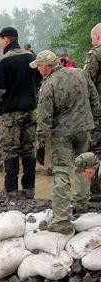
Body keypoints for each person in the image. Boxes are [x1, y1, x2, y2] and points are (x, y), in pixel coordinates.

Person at [32, 50, 100, 233]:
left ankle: (62, 219)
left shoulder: (49, 85)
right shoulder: (81, 73)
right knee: (83, 165)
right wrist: (93, 122)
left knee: (61, 171)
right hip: (84, 128)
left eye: (38, 67)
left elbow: (45, 116)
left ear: (45, 67)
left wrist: (40, 142)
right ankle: (81, 204)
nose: (38, 70)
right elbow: (95, 100)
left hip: (62, 133)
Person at [0, 26, 42, 198]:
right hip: (29, 112)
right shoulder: (31, 57)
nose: (0, 43)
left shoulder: (3, 61)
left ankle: (11, 190)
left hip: (10, 114)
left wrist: (1, 104)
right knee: (28, 150)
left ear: (5, 39)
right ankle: (29, 189)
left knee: (10, 151)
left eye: (0, 40)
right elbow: (39, 81)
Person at [84, 23, 101, 156]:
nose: (92, 41)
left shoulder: (95, 54)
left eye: (92, 38)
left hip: (98, 108)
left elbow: (87, 81)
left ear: (98, 36)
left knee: (96, 147)